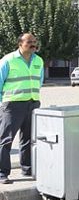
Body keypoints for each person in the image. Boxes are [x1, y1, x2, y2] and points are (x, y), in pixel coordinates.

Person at [0, 33, 44, 184]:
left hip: (33, 104)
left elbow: (40, 81)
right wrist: (3, 104)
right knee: (6, 139)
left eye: (34, 42)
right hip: (12, 105)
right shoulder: (8, 60)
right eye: (29, 42)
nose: (33, 44)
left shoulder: (38, 60)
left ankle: (27, 169)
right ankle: (2, 173)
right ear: (20, 43)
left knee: (28, 139)